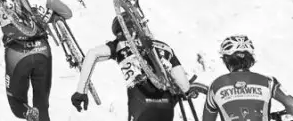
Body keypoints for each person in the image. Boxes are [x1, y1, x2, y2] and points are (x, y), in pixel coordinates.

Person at [71, 15, 207, 121]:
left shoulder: (119, 45)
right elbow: (184, 85)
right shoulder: (163, 46)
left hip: (140, 104)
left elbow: (92, 54)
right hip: (166, 106)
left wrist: (81, 91)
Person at [201, 36, 293, 121]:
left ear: (226, 60)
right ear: (250, 58)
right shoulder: (268, 82)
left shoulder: (216, 85)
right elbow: (291, 103)